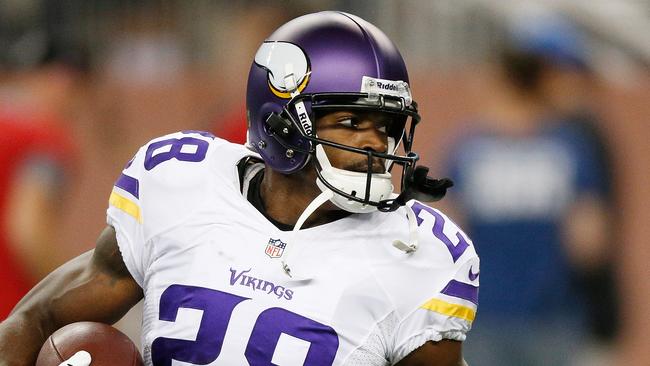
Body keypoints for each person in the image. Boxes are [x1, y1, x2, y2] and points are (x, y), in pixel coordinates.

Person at [0, 11, 478, 365]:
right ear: (281, 122)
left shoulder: (417, 254)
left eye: (386, 126)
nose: (376, 144)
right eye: (352, 121)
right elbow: (30, 321)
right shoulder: (182, 185)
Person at [440, 13, 613, 366]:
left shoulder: (467, 148)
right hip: (553, 319)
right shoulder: (570, 146)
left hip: (481, 318)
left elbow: (448, 240)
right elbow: (589, 243)